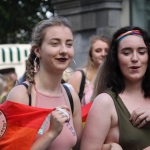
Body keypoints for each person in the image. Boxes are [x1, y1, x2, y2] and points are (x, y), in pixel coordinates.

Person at [6, 16, 82, 150]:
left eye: (69, 44)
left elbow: (81, 146)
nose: (64, 50)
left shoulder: (71, 96)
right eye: (55, 43)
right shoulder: (21, 95)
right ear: (37, 50)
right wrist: (51, 133)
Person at [80, 26, 150, 150]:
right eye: (126, 53)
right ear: (116, 59)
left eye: (141, 52)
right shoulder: (105, 102)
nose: (135, 58)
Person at [68, 35, 110, 106]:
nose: (103, 54)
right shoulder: (80, 76)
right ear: (91, 55)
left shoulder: (117, 76)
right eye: (98, 51)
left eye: (107, 51)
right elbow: (67, 104)